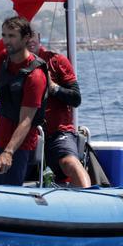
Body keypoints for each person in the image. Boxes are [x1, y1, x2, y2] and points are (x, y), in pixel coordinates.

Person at [0, 16, 48, 186]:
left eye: (12, 36)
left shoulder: (35, 76)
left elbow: (26, 120)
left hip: (17, 149)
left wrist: (8, 152)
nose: (6, 41)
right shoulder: (3, 58)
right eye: (4, 35)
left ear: (26, 38)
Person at [26, 31, 91, 187]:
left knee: (69, 162)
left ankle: (89, 198)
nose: (29, 40)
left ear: (39, 38)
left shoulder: (56, 61)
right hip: (27, 134)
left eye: (32, 36)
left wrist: (53, 87)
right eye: (25, 37)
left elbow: (76, 99)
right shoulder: (14, 65)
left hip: (58, 132)